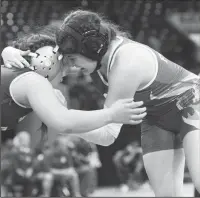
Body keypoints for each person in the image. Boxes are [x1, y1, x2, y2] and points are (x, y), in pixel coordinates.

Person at [53, 10, 199, 196]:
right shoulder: (96, 58)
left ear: (92, 47)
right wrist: (11, 54)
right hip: (156, 121)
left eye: (72, 58)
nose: (71, 65)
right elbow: (46, 53)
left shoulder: (126, 64)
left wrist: (61, 121)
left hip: (192, 104)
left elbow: (107, 135)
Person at [1, 32, 147, 146]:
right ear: (46, 62)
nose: (67, 71)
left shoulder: (24, 79)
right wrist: (111, 114)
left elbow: (103, 136)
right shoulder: (32, 81)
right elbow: (64, 122)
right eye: (63, 62)